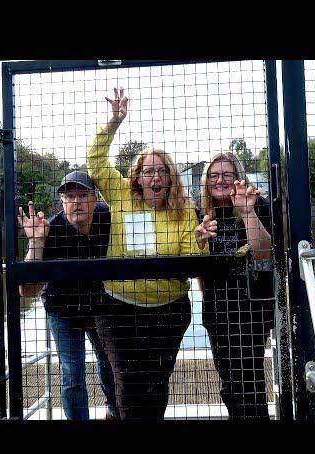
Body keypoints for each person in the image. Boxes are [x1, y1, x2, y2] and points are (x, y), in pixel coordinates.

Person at [86, 87, 210, 420]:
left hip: (168, 312)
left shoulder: (184, 211)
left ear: (171, 178)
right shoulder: (122, 195)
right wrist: (114, 122)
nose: (155, 176)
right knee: (127, 383)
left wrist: (199, 243)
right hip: (117, 309)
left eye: (161, 171)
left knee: (156, 383)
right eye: (147, 171)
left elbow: (191, 261)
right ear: (137, 177)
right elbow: (95, 163)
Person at [18, 171, 119, 420]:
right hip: (63, 309)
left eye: (83, 195)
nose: (76, 202)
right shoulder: (50, 229)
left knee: (111, 363)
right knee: (72, 373)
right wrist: (36, 244)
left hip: (101, 305)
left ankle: (114, 412)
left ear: (95, 199)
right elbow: (26, 290)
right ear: (62, 202)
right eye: (70, 196)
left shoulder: (111, 219)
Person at [196, 151, 274, 419]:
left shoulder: (258, 204)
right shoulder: (202, 213)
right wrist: (199, 241)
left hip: (251, 309)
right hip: (218, 310)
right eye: (214, 175)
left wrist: (248, 212)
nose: (220, 180)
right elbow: (200, 268)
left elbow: (263, 252)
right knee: (229, 383)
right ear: (206, 182)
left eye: (227, 174)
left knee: (248, 380)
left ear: (238, 176)